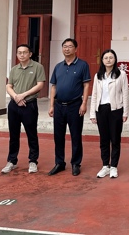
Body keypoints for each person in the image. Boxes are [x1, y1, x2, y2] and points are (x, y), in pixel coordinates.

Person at [47, 38, 91, 177]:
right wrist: (51, 105)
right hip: (59, 106)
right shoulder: (58, 66)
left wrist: (84, 103)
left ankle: (76, 163)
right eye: (64, 46)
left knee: (75, 136)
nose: (67, 49)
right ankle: (59, 163)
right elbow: (53, 86)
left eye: (70, 46)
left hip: (75, 106)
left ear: (76, 49)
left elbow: (86, 85)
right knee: (58, 136)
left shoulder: (82, 65)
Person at [1, 44, 46, 174]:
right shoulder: (14, 69)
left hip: (29, 104)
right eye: (19, 52)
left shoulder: (37, 67)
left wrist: (23, 95)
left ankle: (33, 161)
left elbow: (40, 85)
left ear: (30, 54)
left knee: (31, 134)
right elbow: (9, 86)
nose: (21, 55)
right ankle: (12, 161)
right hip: (14, 105)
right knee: (13, 134)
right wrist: (16, 97)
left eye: (24, 52)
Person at [90, 49, 129, 179]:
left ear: (115, 59)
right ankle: (105, 165)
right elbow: (94, 95)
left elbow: (125, 93)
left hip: (115, 110)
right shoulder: (98, 75)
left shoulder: (121, 74)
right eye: (106, 58)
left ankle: (114, 166)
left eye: (111, 57)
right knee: (104, 139)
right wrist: (92, 113)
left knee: (115, 139)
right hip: (101, 110)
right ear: (102, 60)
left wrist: (125, 112)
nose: (108, 60)